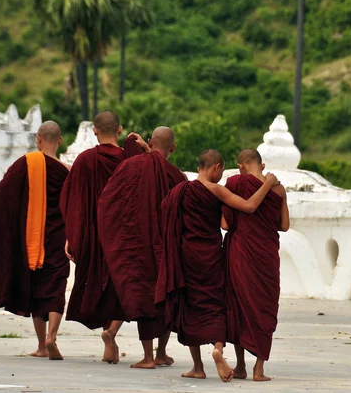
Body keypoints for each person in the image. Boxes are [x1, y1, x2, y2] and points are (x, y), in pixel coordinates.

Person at [156, 149, 279, 382]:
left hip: (186, 256)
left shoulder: (180, 191)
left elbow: (166, 216)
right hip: (211, 255)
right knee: (216, 304)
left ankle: (198, 367)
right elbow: (249, 206)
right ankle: (218, 350)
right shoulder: (217, 190)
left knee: (190, 307)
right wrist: (268, 183)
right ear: (217, 167)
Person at [59, 111, 146, 364]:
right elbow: (150, 184)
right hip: (123, 234)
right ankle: (112, 331)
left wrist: (70, 236)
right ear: (119, 130)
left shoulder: (85, 159)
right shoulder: (130, 159)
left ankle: (108, 335)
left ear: (94, 131)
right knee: (123, 284)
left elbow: (72, 201)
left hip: (93, 234)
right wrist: (145, 149)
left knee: (99, 283)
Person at [98, 126, 186, 369]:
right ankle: (159, 354)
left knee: (139, 294)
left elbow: (108, 201)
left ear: (149, 141)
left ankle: (147, 356)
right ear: (173, 148)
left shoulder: (129, 166)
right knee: (164, 296)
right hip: (163, 247)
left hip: (133, 244)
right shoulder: (176, 176)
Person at [0, 120, 70, 360]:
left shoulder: (26, 164)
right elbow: (75, 205)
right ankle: (52, 336)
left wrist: (12, 228)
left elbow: (1, 197)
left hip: (32, 240)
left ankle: (41, 346)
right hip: (58, 238)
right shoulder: (67, 170)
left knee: (36, 289)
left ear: (38, 139)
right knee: (56, 287)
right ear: (60, 141)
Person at [222, 149, 289, 382]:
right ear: (263, 164)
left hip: (239, 252)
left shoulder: (234, 183)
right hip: (267, 255)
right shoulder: (278, 190)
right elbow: (284, 225)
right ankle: (258, 369)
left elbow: (225, 224)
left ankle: (240, 366)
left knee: (238, 306)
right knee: (264, 306)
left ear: (240, 166)